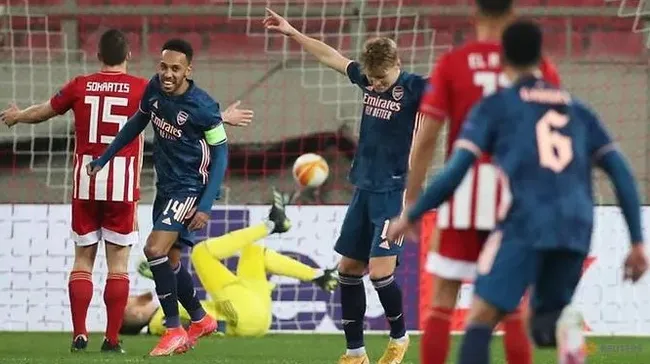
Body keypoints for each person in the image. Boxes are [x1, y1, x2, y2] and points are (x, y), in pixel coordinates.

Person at [388, 20, 648, 364]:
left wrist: (413, 212)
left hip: (527, 222)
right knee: (543, 327)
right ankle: (565, 327)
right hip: (578, 226)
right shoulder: (579, 110)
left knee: (481, 316)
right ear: (542, 58)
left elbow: (456, 170)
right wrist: (637, 241)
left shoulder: (498, 107)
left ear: (505, 61)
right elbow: (621, 173)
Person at [264, 8, 429, 364]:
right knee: (348, 271)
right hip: (363, 190)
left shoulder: (416, 87)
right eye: (372, 79)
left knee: (381, 272)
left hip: (393, 192)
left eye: (382, 79)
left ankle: (399, 339)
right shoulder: (367, 78)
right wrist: (292, 31)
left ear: (397, 64)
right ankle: (355, 353)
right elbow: (330, 56)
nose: (376, 85)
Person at [404, 1, 562, 363]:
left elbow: (427, 137)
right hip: (517, 201)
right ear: (512, 17)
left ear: (473, 16)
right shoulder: (540, 67)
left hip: (464, 196)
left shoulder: (453, 64)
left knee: (442, 300)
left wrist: (412, 201)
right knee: (511, 304)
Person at [86, 38, 253, 356]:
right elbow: (137, 121)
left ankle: (175, 329)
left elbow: (220, 155)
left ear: (188, 70)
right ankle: (201, 319)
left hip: (190, 187)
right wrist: (105, 157)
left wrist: (205, 205)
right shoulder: (154, 89)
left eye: (176, 68)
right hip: (166, 186)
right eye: (163, 66)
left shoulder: (203, 107)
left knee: (153, 249)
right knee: (171, 260)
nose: (167, 73)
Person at [1, 29, 147, 354]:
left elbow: (44, 111)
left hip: (86, 180)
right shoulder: (141, 88)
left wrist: (17, 116)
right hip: (122, 184)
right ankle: (111, 339)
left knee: (82, 259)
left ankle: (80, 333)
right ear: (128, 56)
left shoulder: (81, 85)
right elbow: (177, 117)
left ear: (98, 57)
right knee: (118, 264)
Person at [121, 190, 338, 337]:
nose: (131, 296)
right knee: (201, 253)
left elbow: (191, 304)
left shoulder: (165, 308)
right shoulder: (159, 322)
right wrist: (221, 328)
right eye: (127, 302)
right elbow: (194, 326)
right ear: (136, 315)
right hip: (240, 317)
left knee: (254, 253)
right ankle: (271, 225)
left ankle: (319, 276)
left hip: (256, 315)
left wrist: (163, 277)